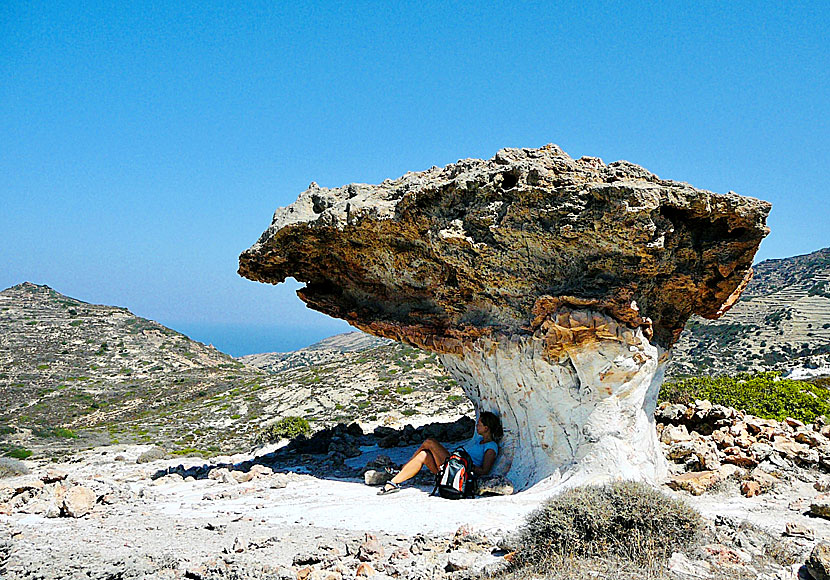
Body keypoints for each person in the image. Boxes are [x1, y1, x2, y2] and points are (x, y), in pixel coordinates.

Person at [377, 411, 503, 495]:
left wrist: (466, 463)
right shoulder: (480, 441)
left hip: (460, 472)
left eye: (479, 424)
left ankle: (403, 468)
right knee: (424, 455)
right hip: (454, 467)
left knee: (430, 442)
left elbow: (485, 471)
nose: (476, 426)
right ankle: (393, 483)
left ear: (486, 428)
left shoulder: (491, 447)